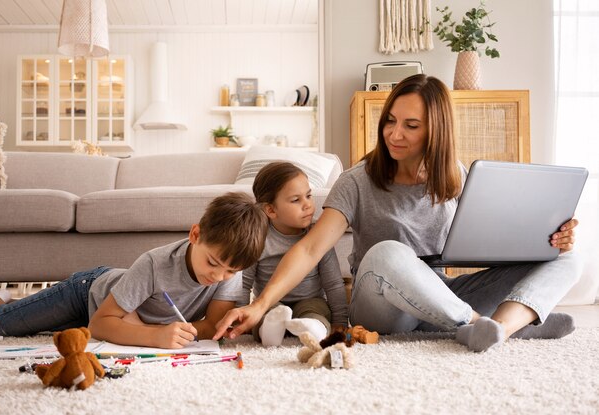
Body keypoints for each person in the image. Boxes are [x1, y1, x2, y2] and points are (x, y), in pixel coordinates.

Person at [214, 74, 582, 352]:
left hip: (440, 294)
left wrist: (548, 240)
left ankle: (499, 328)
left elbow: (496, 240)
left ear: (436, 131)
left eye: (411, 125)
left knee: (569, 258)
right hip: (382, 304)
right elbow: (310, 249)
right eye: (390, 120)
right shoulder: (356, 180)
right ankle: (485, 322)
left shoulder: (456, 176)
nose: (394, 134)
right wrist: (261, 305)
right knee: (389, 252)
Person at [0, 192, 268, 349]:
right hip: (87, 293)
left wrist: (145, 330)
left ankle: (23, 305)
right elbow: (101, 325)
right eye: (213, 264)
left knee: (52, 329)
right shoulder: (155, 263)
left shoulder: (230, 268)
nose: (218, 277)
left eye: (230, 271)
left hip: (122, 313)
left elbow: (211, 327)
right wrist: (154, 336)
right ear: (194, 235)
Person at [243, 162, 348, 346]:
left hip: (311, 301)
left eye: (308, 196)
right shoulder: (259, 238)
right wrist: (242, 315)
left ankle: (312, 327)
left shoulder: (318, 234)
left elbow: (333, 283)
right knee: (267, 314)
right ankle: (271, 331)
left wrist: (340, 321)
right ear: (271, 210)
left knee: (316, 313)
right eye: (296, 200)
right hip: (272, 303)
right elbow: (244, 283)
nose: (307, 205)